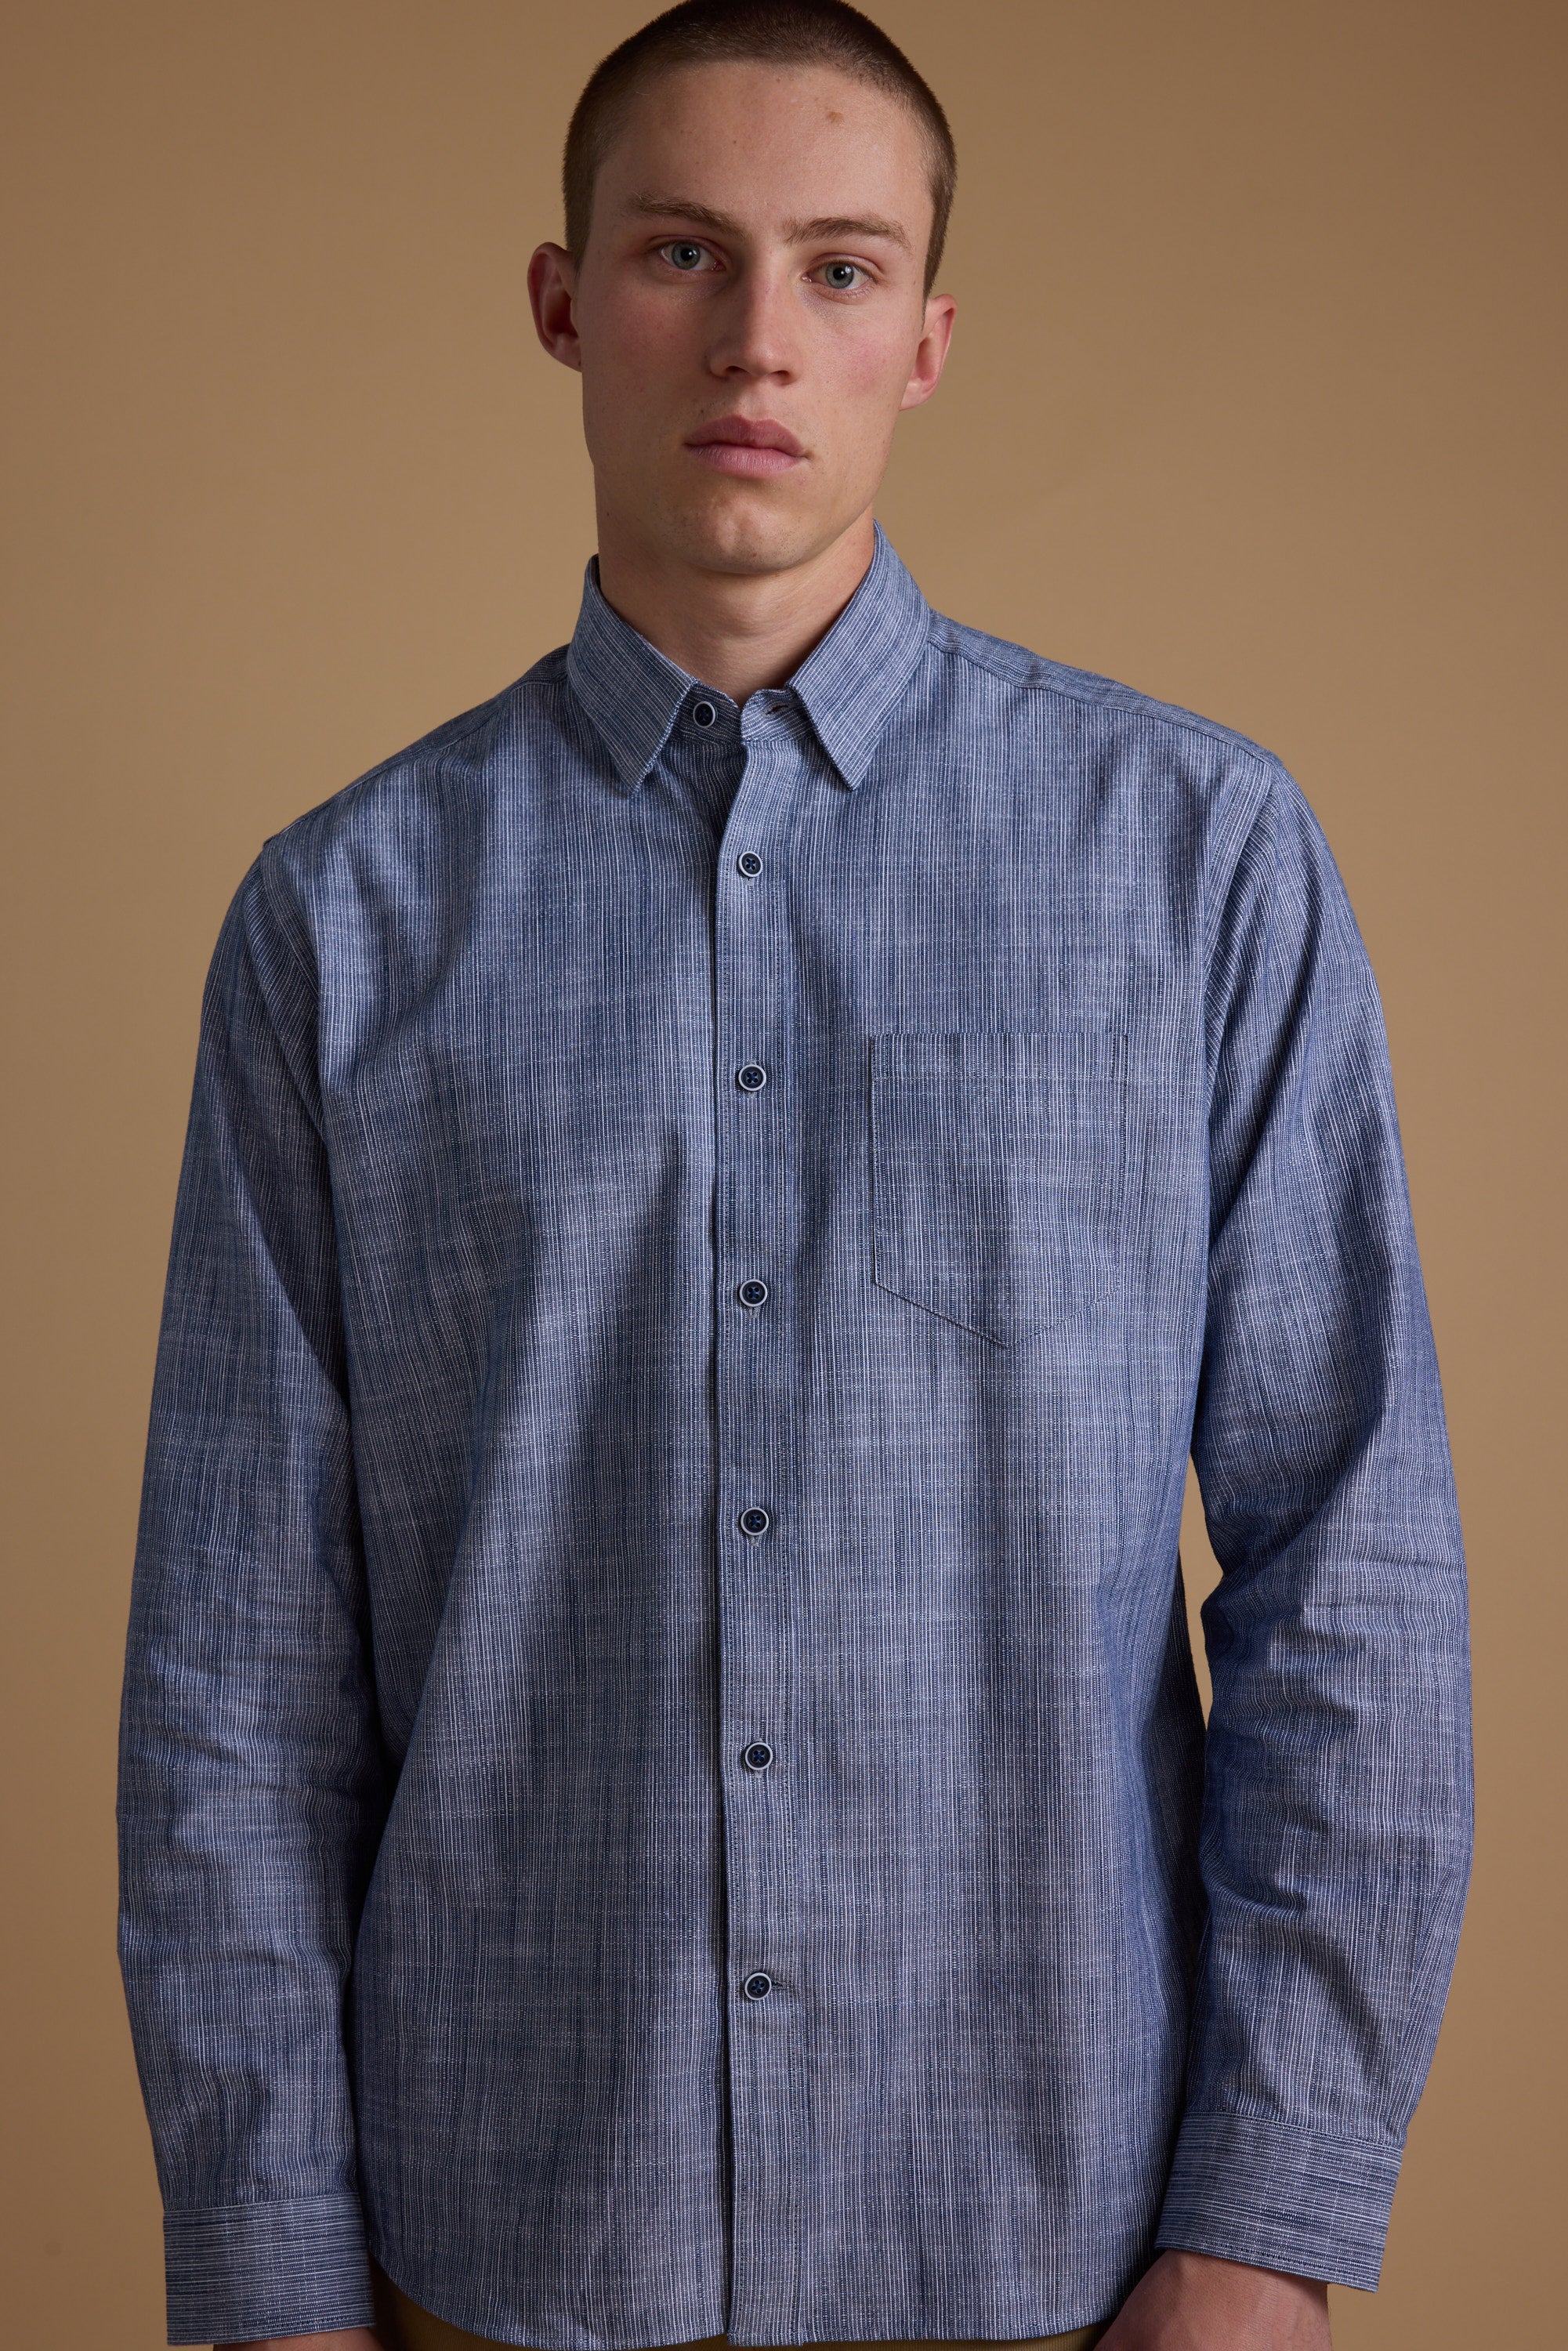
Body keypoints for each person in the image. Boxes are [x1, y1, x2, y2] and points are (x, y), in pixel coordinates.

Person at [115, 4, 1474, 2348]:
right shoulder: (335, 925)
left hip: (1057, 2251)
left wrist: (1267, 2225)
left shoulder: (1197, 866)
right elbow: (236, 1672)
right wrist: (270, 2277)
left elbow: (1348, 1559)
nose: (759, 337)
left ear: (928, 336)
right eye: (681, 252)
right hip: (492, 2253)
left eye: (840, 269)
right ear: (561, 299)